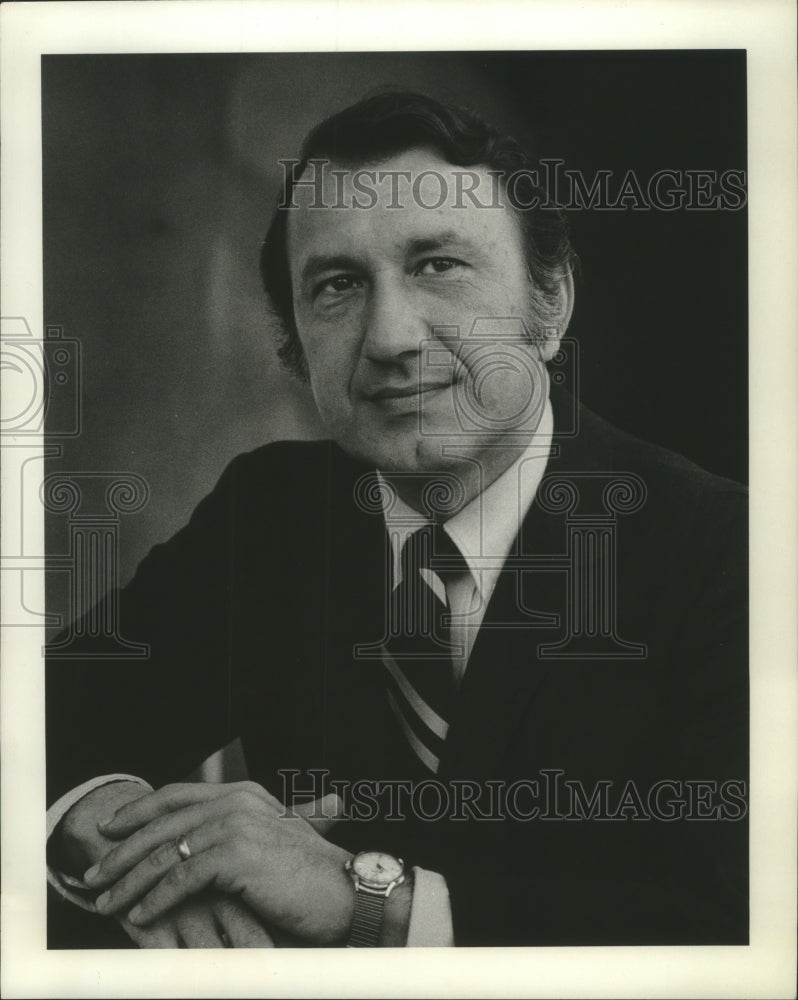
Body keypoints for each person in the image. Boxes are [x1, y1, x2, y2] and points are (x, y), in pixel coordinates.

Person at [46, 89, 748, 948]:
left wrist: (365, 896)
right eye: (338, 285)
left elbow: (739, 922)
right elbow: (38, 721)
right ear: (296, 345)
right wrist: (122, 828)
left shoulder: (728, 554)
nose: (390, 337)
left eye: (438, 266)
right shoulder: (270, 513)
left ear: (551, 304)